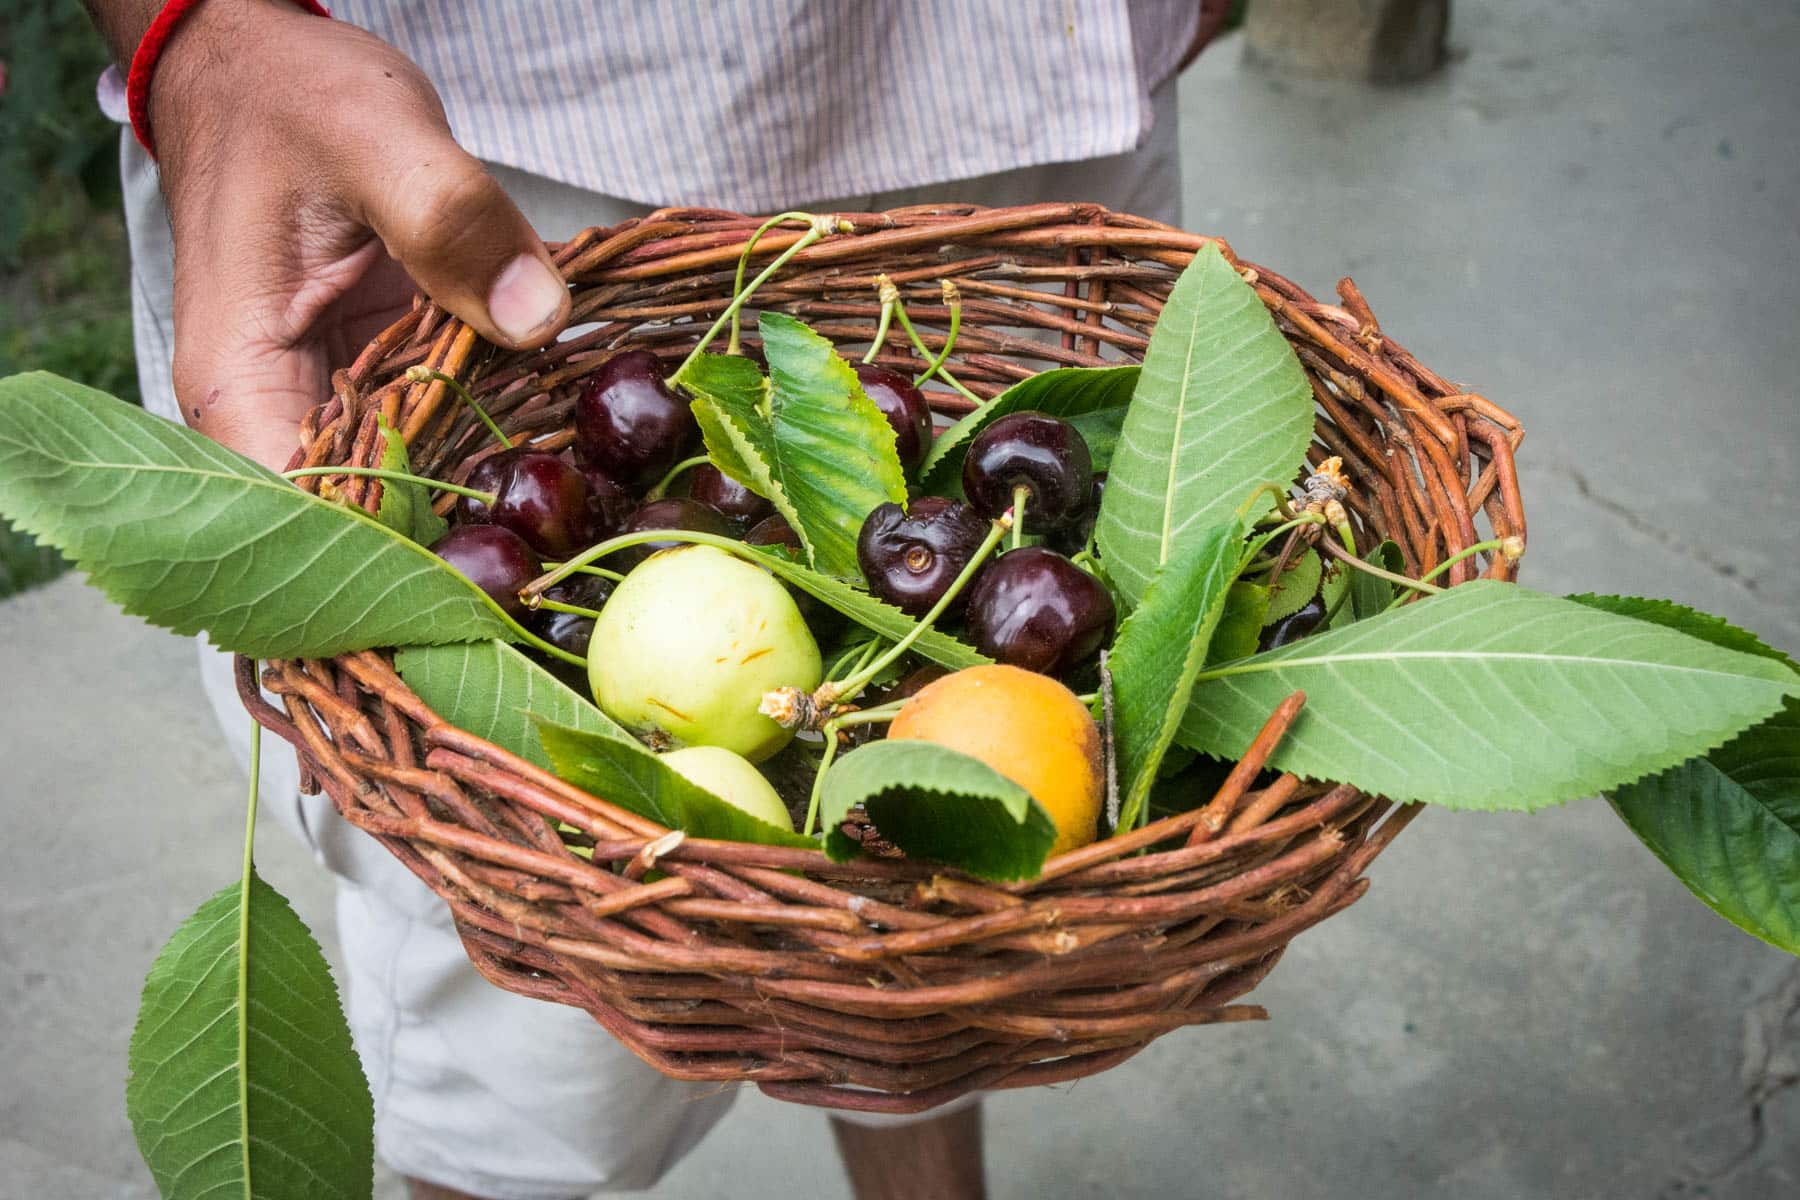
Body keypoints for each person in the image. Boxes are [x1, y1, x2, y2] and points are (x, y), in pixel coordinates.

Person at [82, 3, 1227, 1197]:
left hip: (1026, 83)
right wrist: (197, 33)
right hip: (507, 142)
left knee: (937, 945)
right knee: (525, 1015)